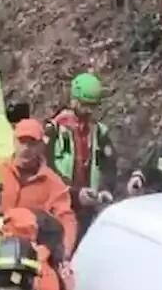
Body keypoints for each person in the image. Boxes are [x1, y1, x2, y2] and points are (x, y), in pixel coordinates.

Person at [0, 121, 78, 256]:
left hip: (28, 257)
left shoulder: (53, 183)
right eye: (22, 142)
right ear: (14, 142)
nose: (26, 148)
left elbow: (66, 219)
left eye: (32, 143)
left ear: (41, 146)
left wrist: (64, 253)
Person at [45, 72, 117, 234]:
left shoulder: (98, 131)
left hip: (89, 207)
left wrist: (106, 189)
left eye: (92, 106)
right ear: (74, 101)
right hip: (60, 204)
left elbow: (109, 164)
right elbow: (46, 167)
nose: (88, 111)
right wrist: (74, 193)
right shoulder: (54, 130)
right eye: (84, 105)